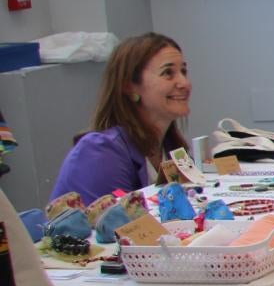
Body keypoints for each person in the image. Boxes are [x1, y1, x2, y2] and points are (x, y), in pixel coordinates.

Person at [51, 33, 190, 203]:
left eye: (183, 71)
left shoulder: (171, 148)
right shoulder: (99, 153)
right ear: (129, 87)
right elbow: (120, 227)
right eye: (168, 73)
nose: (184, 83)